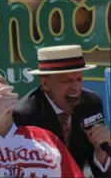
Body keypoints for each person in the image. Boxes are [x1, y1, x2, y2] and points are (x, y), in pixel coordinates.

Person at [13, 45, 111, 177]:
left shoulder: (90, 102)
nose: (76, 88)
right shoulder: (24, 115)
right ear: (46, 84)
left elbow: (102, 174)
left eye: (79, 79)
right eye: (67, 81)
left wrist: (101, 149)